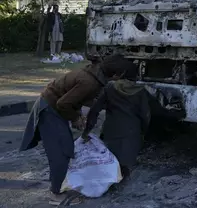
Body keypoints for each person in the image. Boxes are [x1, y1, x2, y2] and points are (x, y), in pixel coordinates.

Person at [19, 54, 134, 206]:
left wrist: (78, 114)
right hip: (50, 110)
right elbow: (63, 103)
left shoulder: (95, 74)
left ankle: (56, 186)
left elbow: (73, 97)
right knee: (61, 151)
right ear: (115, 75)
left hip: (53, 107)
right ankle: (55, 194)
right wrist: (75, 119)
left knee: (64, 147)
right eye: (121, 76)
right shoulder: (90, 82)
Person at [82, 58, 149, 179]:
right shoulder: (141, 91)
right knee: (127, 167)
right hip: (131, 133)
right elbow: (145, 115)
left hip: (111, 131)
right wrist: (143, 131)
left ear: (122, 73)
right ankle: (122, 189)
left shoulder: (110, 87)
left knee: (110, 163)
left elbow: (95, 110)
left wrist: (87, 130)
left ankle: (108, 185)